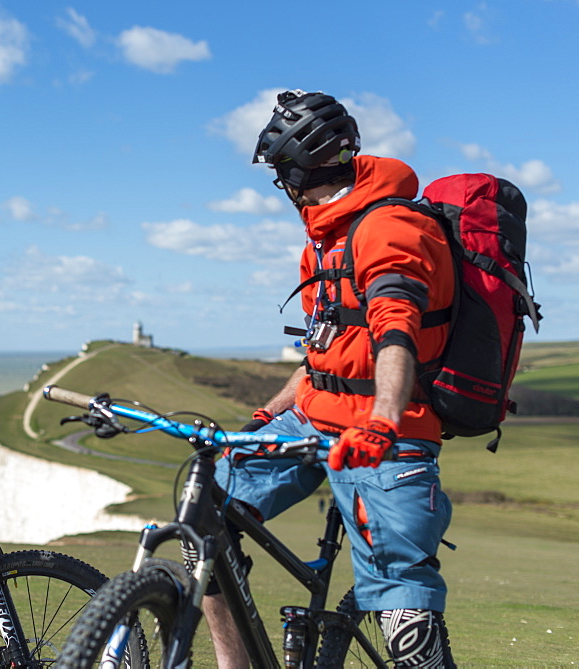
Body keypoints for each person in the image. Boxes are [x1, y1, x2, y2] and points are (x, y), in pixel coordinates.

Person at [204, 90, 456, 668]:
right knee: (202, 521)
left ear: (296, 172)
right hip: (311, 420)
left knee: (405, 621)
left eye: (280, 173)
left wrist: (384, 421)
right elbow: (322, 356)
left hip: (385, 438)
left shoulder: (388, 227)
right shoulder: (323, 240)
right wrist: (266, 417)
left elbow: (398, 331)